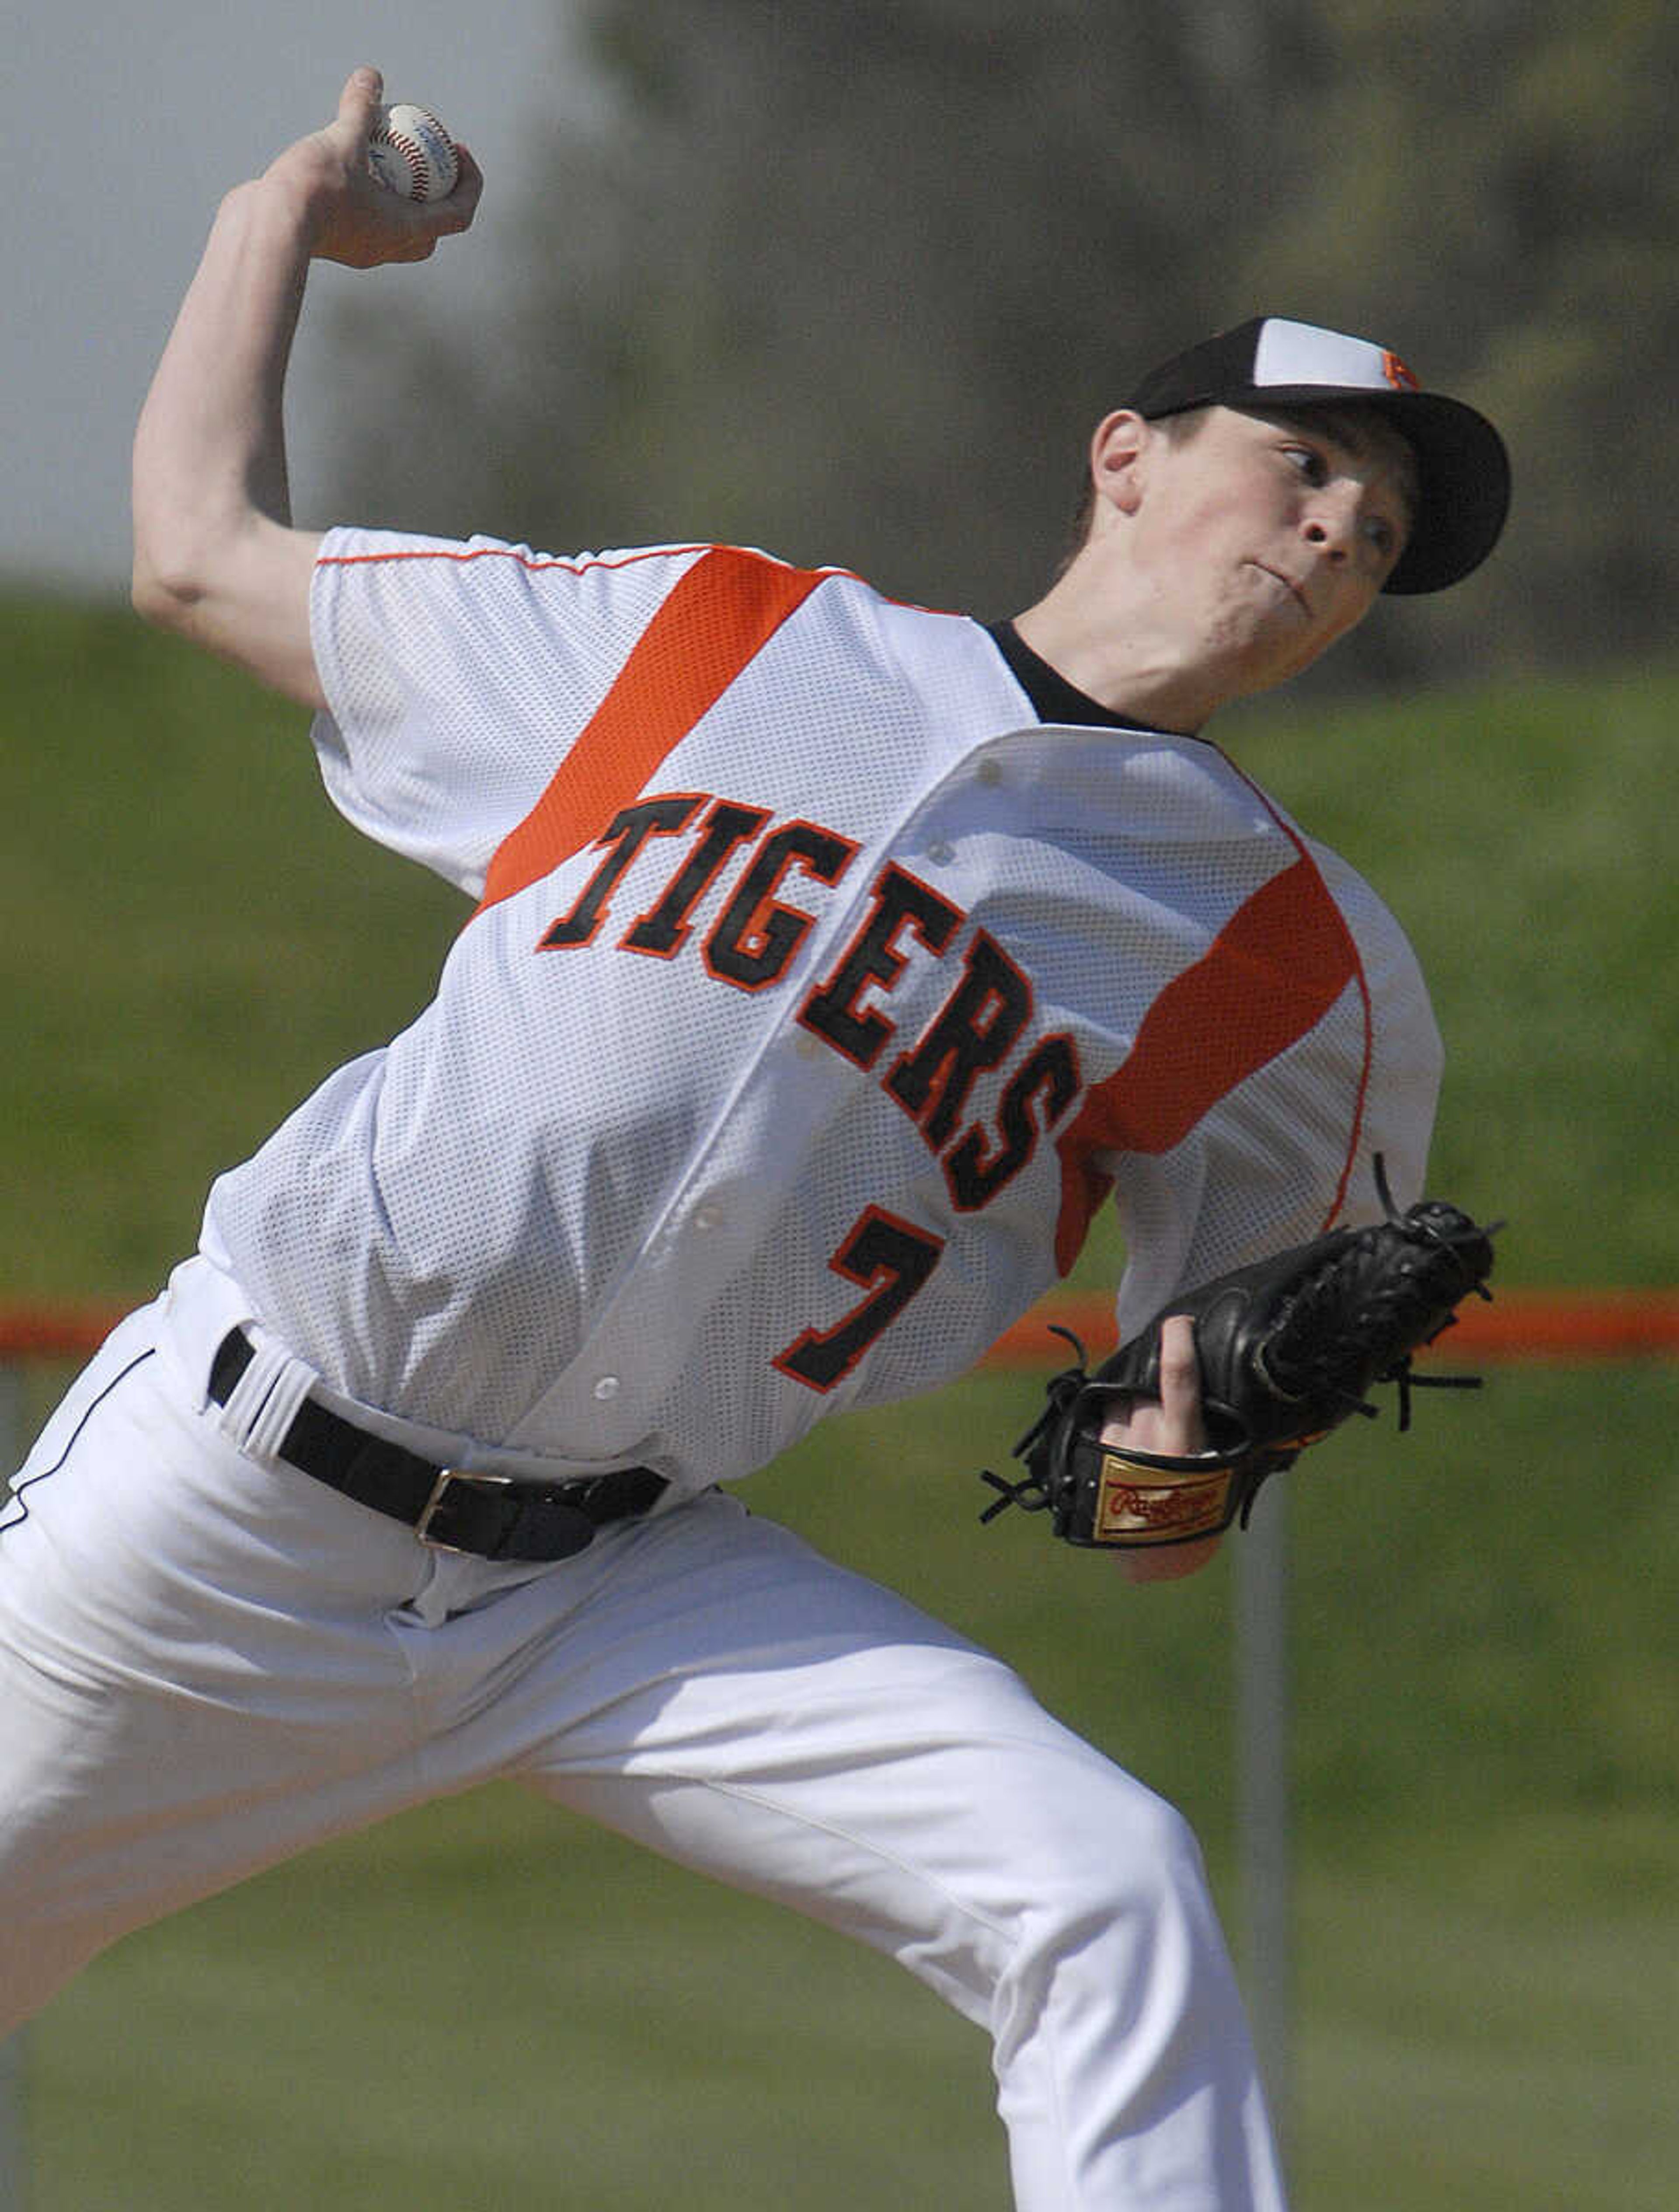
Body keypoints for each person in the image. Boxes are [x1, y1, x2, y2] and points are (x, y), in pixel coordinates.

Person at [1, 67, 1509, 2210]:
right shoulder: (724, 636)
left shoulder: (1291, 961)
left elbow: (1163, 1495)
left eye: (1376, 537)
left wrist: (1190, 1461)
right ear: (1126, 457)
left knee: (1104, 1885)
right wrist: (274, 216)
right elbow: (195, 554)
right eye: (1307, 467)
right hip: (233, 1503)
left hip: (621, 1579)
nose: (1336, 535)